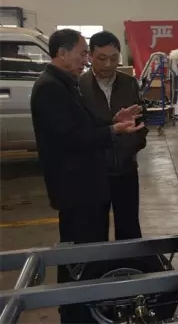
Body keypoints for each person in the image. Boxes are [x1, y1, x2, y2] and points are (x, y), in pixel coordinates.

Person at [30, 28, 144, 323]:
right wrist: (112, 130)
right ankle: (74, 312)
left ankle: (87, 306)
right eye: (83, 54)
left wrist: (113, 122)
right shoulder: (50, 88)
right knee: (77, 254)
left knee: (90, 249)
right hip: (75, 188)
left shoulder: (64, 83)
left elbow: (83, 124)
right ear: (62, 53)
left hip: (88, 185)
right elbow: (72, 138)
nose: (86, 60)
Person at [79, 31, 148, 240]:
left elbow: (141, 119)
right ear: (90, 56)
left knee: (129, 226)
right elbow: (80, 129)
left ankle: (130, 261)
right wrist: (112, 125)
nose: (108, 64)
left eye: (113, 58)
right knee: (95, 228)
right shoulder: (79, 86)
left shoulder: (129, 83)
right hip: (94, 171)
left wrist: (134, 144)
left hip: (126, 168)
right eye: (101, 58)